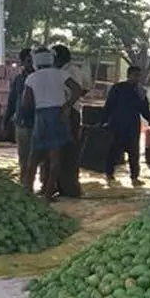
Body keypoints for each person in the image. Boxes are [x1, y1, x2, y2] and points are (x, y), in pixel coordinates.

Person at [22, 48, 84, 199]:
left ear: (36, 61)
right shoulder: (61, 74)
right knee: (55, 158)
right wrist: (67, 105)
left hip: (41, 115)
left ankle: (27, 191)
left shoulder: (31, 77)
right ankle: (48, 195)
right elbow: (77, 90)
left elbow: (26, 103)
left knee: (33, 157)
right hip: (58, 115)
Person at [102, 65, 150, 185]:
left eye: (139, 76)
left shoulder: (140, 91)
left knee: (134, 151)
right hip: (117, 123)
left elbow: (144, 108)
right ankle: (109, 174)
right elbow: (109, 105)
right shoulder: (118, 88)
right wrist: (103, 121)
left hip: (133, 125)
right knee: (114, 150)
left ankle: (134, 177)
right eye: (135, 75)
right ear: (128, 75)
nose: (137, 78)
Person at [53, 44, 89, 198]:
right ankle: (63, 186)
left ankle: (70, 188)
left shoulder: (70, 71)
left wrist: (67, 105)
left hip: (69, 113)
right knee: (63, 151)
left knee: (68, 152)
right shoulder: (71, 70)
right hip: (69, 111)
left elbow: (79, 90)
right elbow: (86, 87)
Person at [6, 48, 35, 184]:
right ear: (22, 62)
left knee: (40, 156)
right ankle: (25, 184)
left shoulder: (39, 78)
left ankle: (42, 184)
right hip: (22, 123)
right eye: (28, 61)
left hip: (38, 122)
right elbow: (12, 101)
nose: (31, 63)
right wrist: (6, 119)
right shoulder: (18, 79)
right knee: (23, 156)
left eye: (33, 60)